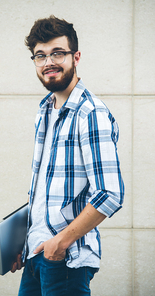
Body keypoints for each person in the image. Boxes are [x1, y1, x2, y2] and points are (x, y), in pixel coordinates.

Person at [11, 15, 125, 296]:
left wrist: (60, 243)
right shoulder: (46, 111)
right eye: (40, 55)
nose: (48, 62)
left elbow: (110, 193)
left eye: (57, 53)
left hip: (66, 260)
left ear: (76, 56)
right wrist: (20, 240)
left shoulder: (91, 114)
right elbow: (49, 191)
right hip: (36, 253)